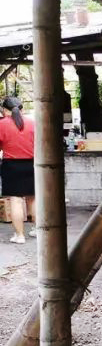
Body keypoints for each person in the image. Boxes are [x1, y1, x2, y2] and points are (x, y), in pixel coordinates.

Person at [0, 96, 35, 244]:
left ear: (4, 110)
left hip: (11, 166)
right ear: (22, 108)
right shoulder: (33, 123)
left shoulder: (2, 124)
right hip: (32, 164)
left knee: (15, 200)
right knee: (32, 198)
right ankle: (37, 230)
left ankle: (20, 236)